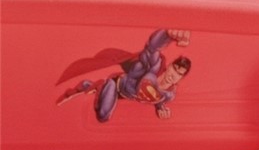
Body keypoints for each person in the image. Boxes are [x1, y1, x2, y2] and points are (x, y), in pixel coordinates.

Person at [55, 28, 193, 122]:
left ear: (181, 78)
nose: (174, 75)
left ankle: (89, 85)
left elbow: (159, 99)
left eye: (179, 74)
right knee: (103, 115)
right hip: (117, 86)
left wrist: (160, 108)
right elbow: (151, 49)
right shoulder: (154, 68)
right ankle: (95, 86)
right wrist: (168, 34)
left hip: (128, 95)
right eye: (174, 69)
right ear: (169, 66)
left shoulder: (169, 95)